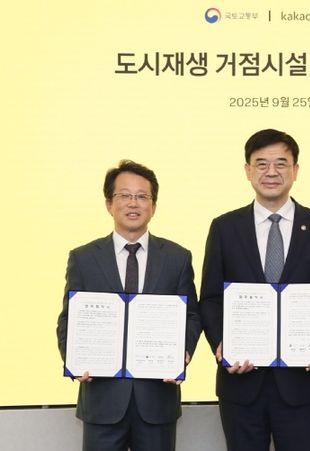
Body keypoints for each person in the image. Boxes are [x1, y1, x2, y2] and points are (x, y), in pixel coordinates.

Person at [200, 129, 310, 451]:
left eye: (281, 164)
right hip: (241, 381)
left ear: (295, 170)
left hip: (304, 382)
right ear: (247, 170)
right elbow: (211, 297)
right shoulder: (224, 228)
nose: (271, 172)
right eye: (261, 164)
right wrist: (221, 344)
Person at [56, 160, 202, 451]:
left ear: (153, 206)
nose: (133, 203)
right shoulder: (83, 258)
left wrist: (182, 354)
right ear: (109, 204)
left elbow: (192, 315)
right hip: (102, 400)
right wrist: (74, 359)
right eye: (124, 195)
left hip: (157, 400)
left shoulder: (177, 257)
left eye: (142, 196)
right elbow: (68, 319)